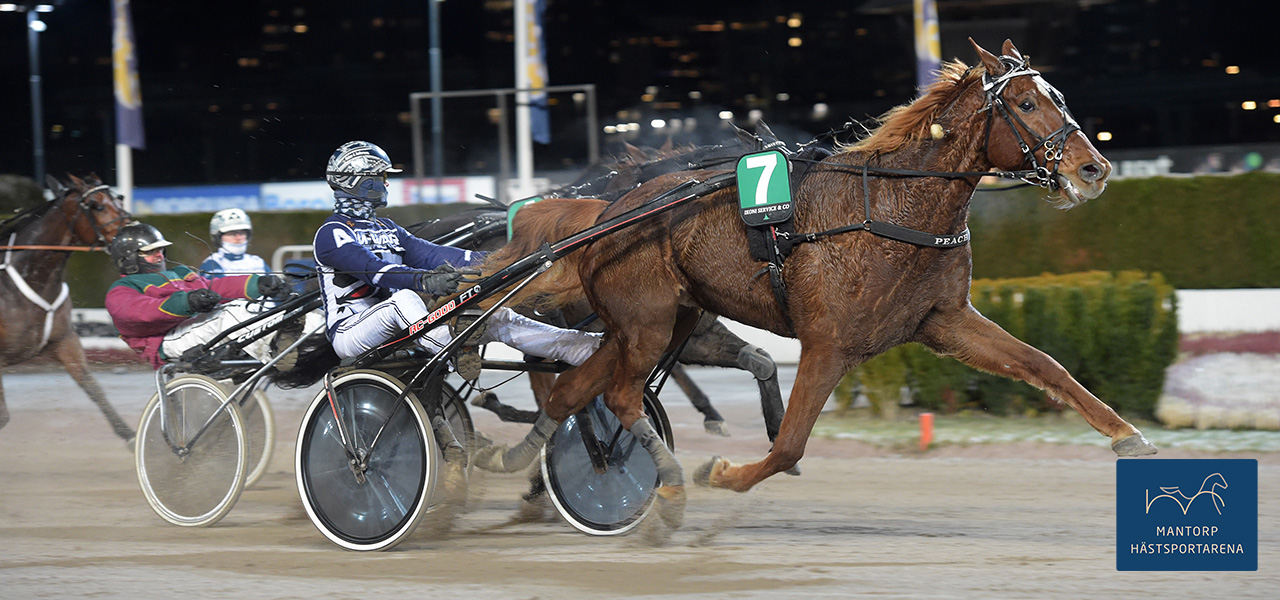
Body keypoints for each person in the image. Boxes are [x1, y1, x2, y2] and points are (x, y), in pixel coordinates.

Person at [314, 140, 600, 378]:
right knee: (405, 299)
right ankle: (453, 350)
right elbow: (374, 271)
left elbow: (433, 253)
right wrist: (424, 280)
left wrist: (503, 261)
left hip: (399, 326)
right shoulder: (331, 234)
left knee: (497, 317)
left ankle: (580, 348)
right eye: (382, 178)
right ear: (359, 182)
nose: (387, 185)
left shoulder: (388, 228)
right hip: (351, 333)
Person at [105, 222, 304, 371]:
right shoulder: (121, 289)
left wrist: (257, 284)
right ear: (129, 258)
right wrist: (188, 302)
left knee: (252, 307)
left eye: (160, 249)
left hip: (195, 329)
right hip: (166, 341)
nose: (160, 255)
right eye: (151, 252)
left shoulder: (180, 273)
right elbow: (142, 313)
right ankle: (278, 355)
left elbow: (215, 286)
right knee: (231, 314)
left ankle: (299, 342)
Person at [199, 208, 269, 278]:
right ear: (218, 237)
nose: (238, 238)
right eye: (231, 233)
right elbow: (221, 286)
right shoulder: (212, 262)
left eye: (242, 233)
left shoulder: (258, 262)